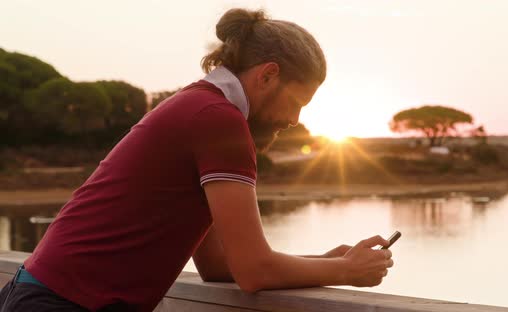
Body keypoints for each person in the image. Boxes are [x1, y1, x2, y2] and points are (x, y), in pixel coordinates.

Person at [0, 8, 394, 312]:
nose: (294, 120)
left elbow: (219, 266)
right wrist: (346, 271)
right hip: (64, 304)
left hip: (39, 293)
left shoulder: (197, 107)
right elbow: (253, 271)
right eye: (297, 103)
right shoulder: (218, 121)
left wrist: (323, 261)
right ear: (268, 75)